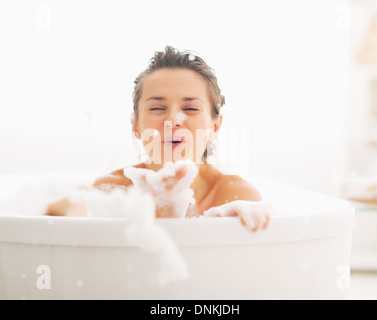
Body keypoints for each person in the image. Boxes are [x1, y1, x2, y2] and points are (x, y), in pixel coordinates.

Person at [47, 46, 270, 232]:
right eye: (157, 108)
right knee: (71, 209)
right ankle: (69, 202)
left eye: (190, 108)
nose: (173, 120)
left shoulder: (236, 196)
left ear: (215, 126)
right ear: (136, 126)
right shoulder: (111, 191)